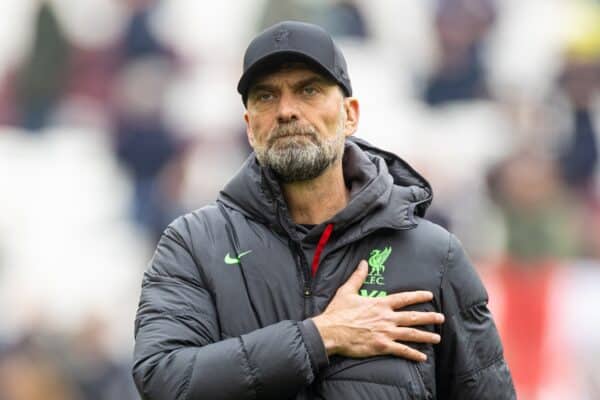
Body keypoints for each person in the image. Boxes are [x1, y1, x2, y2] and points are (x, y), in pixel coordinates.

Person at [133, 21, 515, 399]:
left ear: (350, 114)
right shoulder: (195, 246)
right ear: (250, 127)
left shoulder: (434, 256)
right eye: (266, 96)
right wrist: (322, 336)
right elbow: (164, 379)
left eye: (308, 90)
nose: (286, 111)